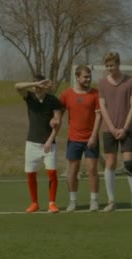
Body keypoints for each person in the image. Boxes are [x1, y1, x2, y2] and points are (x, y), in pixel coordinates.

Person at [98, 52, 132, 212]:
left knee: (129, 163)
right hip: (109, 130)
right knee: (110, 163)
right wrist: (111, 128)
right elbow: (102, 107)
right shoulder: (102, 83)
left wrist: (124, 128)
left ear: (118, 64)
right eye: (107, 66)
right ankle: (111, 201)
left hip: (127, 130)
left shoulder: (131, 82)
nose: (110, 68)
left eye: (112, 65)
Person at [56, 65, 102, 212]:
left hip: (91, 139)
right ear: (77, 77)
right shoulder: (66, 94)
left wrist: (94, 136)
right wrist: (55, 120)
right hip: (74, 139)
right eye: (85, 77)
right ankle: (73, 201)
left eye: (89, 77)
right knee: (72, 171)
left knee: (92, 170)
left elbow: (99, 116)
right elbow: (59, 112)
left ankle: (94, 201)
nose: (88, 79)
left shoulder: (95, 94)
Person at [15, 75, 63, 213]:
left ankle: (52, 203)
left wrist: (49, 140)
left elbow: (58, 122)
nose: (37, 88)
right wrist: (34, 83)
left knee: (52, 173)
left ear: (45, 87)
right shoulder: (29, 97)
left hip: (49, 144)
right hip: (31, 143)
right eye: (36, 86)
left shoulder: (53, 100)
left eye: (40, 86)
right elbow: (17, 86)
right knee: (30, 174)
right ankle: (34, 203)